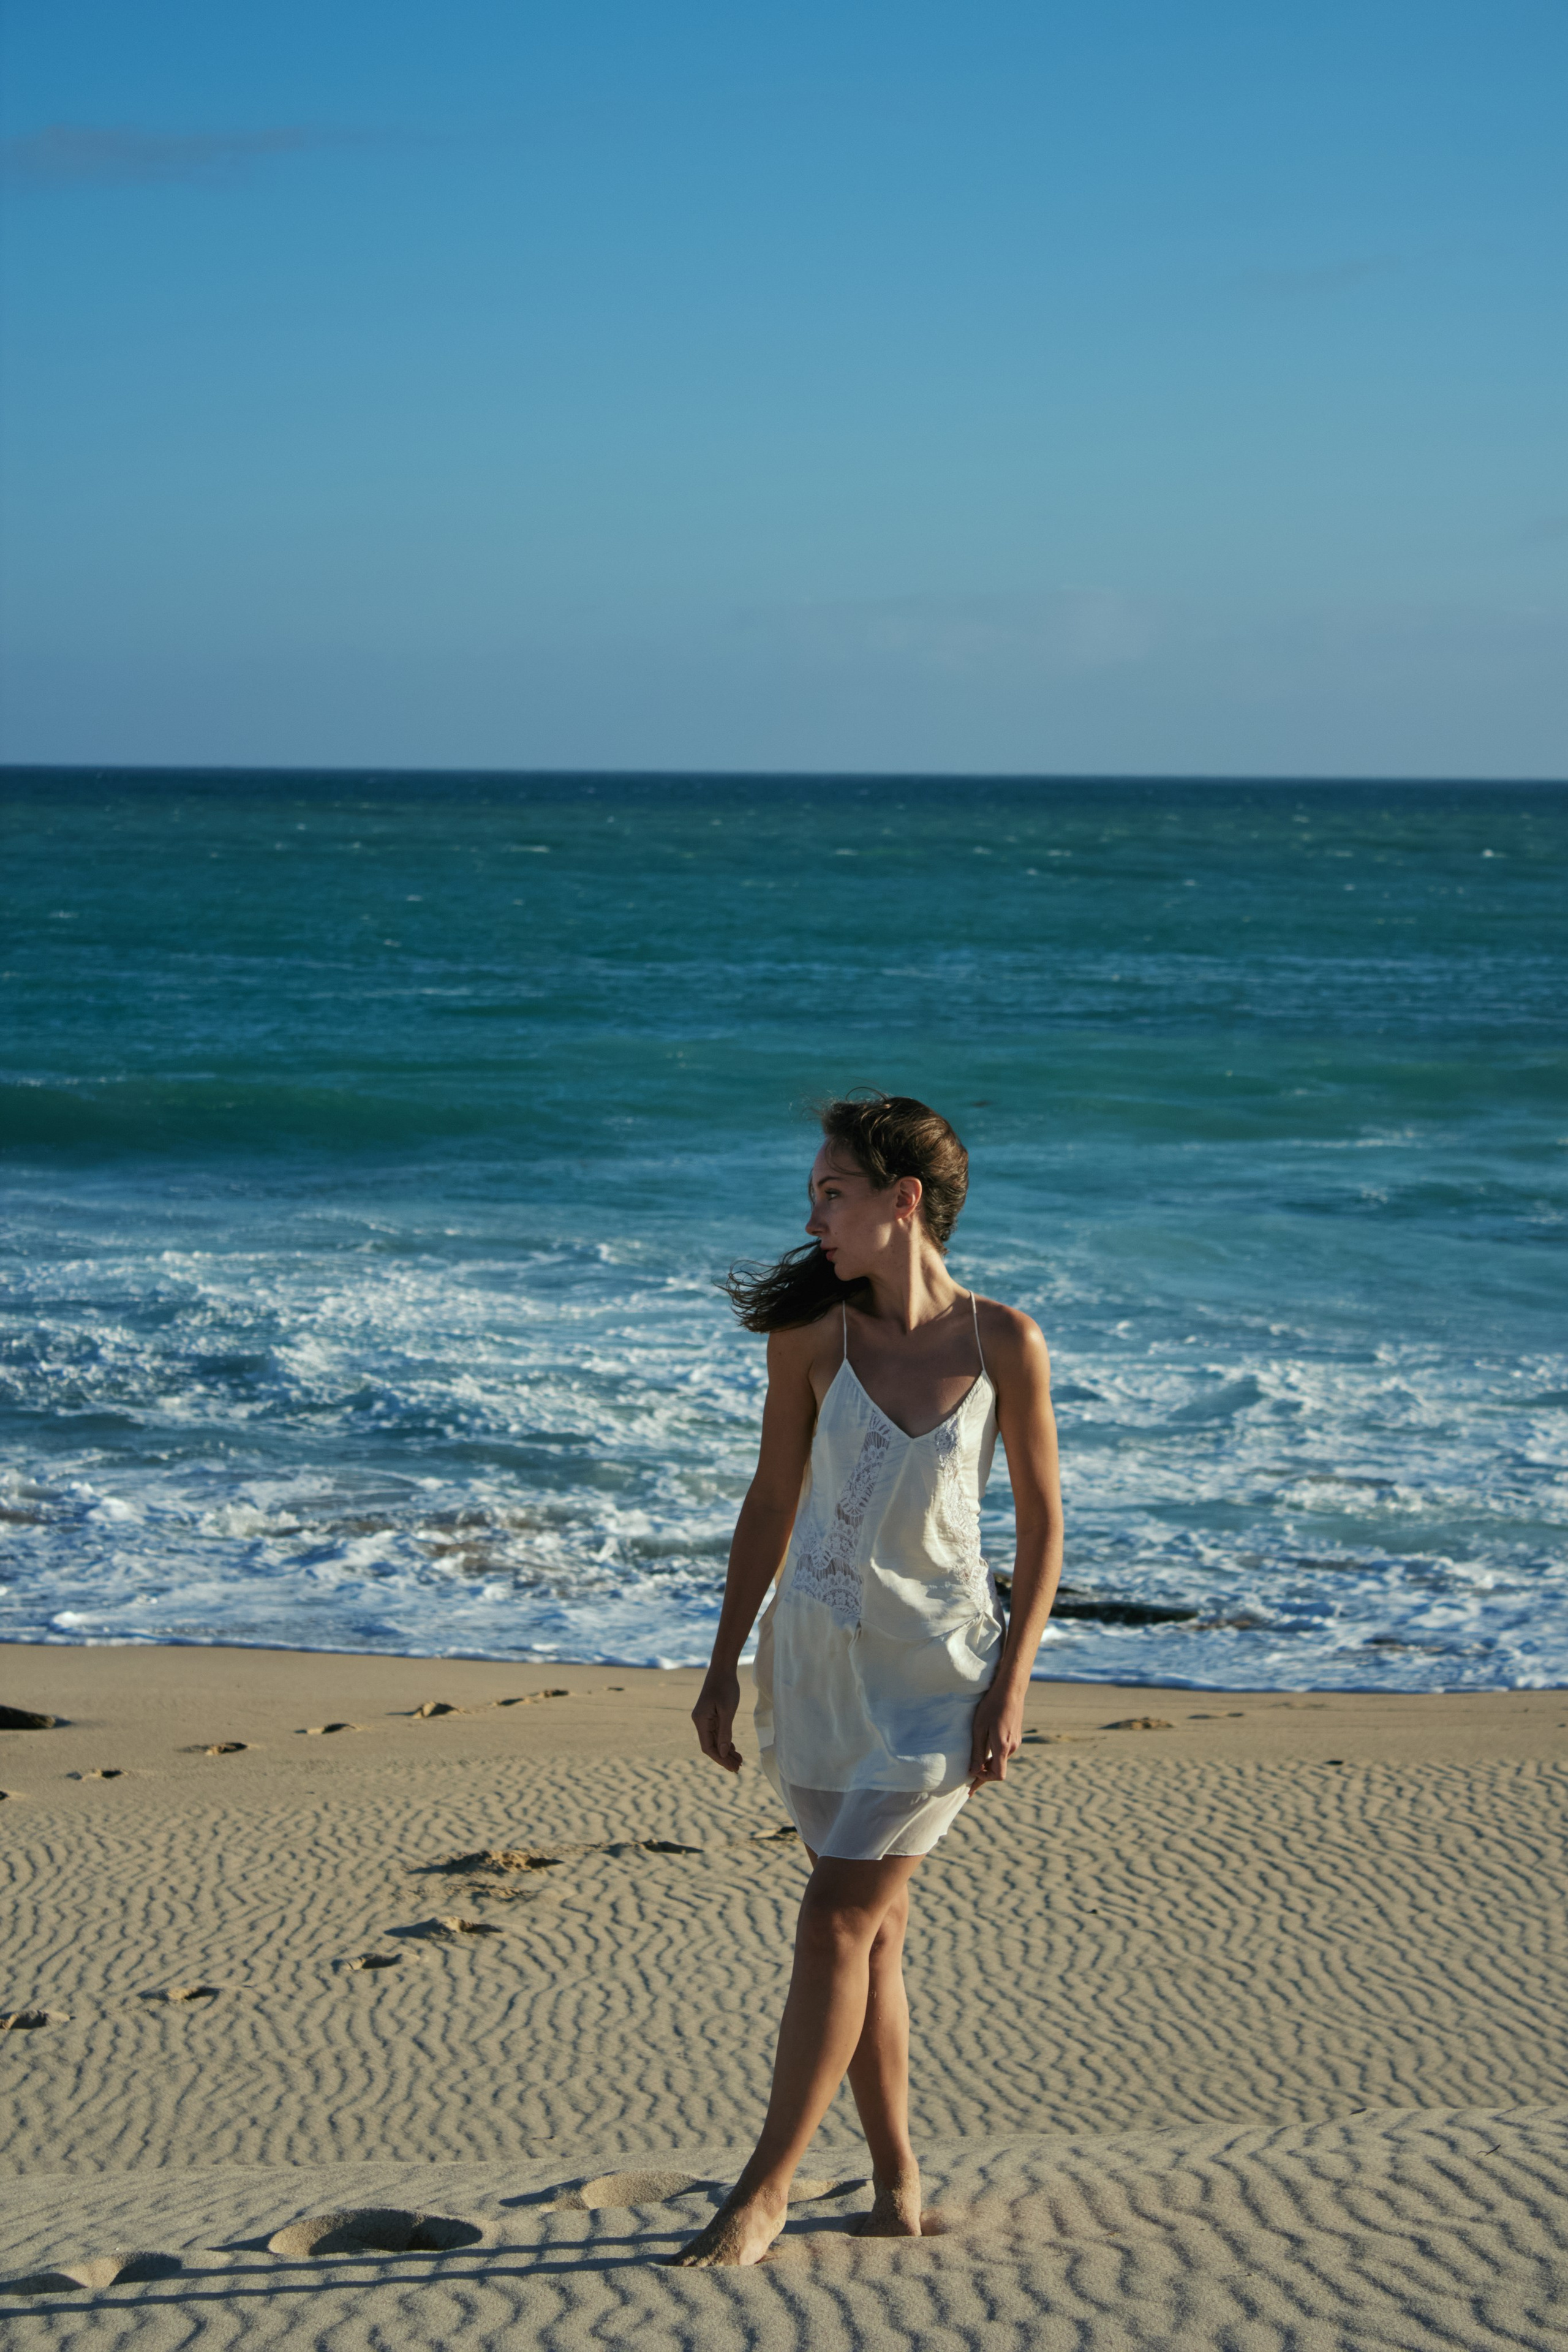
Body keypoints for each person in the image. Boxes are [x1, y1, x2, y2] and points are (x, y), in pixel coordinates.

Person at [668, 1091, 1063, 2267]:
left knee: (835, 1920)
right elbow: (772, 1502)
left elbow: (1043, 1528)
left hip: (943, 1676)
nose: (815, 1218)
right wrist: (724, 1659)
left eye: (832, 1194)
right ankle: (897, 2187)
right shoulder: (813, 1339)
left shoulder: (1004, 1341)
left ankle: (765, 2188)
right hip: (823, 1665)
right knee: (877, 1937)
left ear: (903, 1203)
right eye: (812, 1197)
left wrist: (1013, 1687)